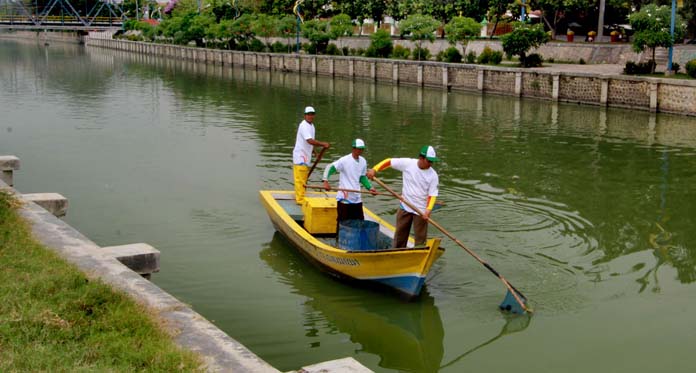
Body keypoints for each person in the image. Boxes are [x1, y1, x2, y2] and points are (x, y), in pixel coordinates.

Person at [367, 145, 440, 248]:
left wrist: (428, 210)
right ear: (421, 158)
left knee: (420, 240)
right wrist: (375, 170)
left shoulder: (433, 175)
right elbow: (389, 162)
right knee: (400, 236)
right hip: (405, 206)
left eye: (432, 162)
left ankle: (418, 256)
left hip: (421, 211)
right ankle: (396, 253)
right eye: (429, 161)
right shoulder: (408, 164)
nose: (430, 164)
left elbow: (432, 195)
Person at [322, 139, 377, 225]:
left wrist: (370, 188)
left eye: (362, 149)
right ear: (353, 149)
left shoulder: (363, 161)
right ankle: (340, 238)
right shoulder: (344, 160)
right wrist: (325, 181)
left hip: (356, 198)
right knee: (343, 223)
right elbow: (330, 167)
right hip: (345, 198)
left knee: (359, 222)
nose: (360, 151)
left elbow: (362, 177)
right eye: (359, 149)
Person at [293, 106, 330, 204]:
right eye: (308, 114)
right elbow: (309, 141)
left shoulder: (311, 126)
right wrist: (323, 144)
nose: (310, 116)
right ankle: (300, 200)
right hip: (300, 156)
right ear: (305, 115)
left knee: (304, 179)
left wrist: (315, 153)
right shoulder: (304, 125)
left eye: (312, 114)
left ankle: (300, 195)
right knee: (300, 179)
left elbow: (311, 142)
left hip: (306, 157)